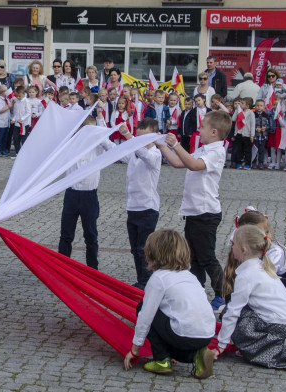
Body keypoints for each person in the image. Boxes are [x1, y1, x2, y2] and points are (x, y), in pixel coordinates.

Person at [157, 109, 231, 311]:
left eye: (203, 126)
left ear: (214, 131)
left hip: (206, 212)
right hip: (193, 212)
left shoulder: (216, 151)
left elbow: (193, 165)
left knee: (207, 257)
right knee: (194, 258)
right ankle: (197, 292)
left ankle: (223, 296)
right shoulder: (204, 148)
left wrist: (176, 144)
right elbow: (179, 162)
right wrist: (162, 146)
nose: (199, 129)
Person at [123, 229, 217, 378]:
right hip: (206, 334)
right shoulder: (190, 276)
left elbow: (146, 316)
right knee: (175, 325)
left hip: (183, 334)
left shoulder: (159, 278)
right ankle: (198, 355)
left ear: (153, 254)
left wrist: (135, 348)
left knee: (143, 307)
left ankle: (161, 360)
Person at [212, 225, 286, 370]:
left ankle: (258, 349)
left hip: (279, 327)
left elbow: (233, 312)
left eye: (234, 245)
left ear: (243, 249)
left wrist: (220, 346)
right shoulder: (262, 266)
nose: (231, 248)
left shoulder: (247, 275)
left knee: (234, 315)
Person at [58, 115, 115, 269]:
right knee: (66, 234)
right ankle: (63, 266)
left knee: (91, 235)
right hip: (72, 193)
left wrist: (100, 137)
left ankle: (92, 268)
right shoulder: (71, 144)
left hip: (89, 194)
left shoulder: (98, 146)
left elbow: (114, 150)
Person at [114, 119, 162, 289]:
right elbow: (114, 150)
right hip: (132, 207)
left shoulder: (155, 154)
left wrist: (129, 136)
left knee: (144, 249)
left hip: (147, 208)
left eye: (144, 138)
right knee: (135, 249)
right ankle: (142, 279)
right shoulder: (134, 153)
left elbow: (145, 155)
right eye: (138, 136)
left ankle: (147, 281)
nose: (140, 141)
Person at [231, 97, 254, 169]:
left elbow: (252, 124)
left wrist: (252, 135)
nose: (240, 104)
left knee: (247, 150)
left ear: (247, 106)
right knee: (239, 150)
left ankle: (248, 164)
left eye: (242, 103)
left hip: (247, 134)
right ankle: (239, 163)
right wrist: (237, 110)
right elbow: (233, 119)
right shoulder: (238, 111)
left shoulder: (251, 113)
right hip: (239, 133)